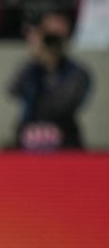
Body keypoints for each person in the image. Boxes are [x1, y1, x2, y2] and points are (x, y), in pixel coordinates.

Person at [7, 11, 94, 150]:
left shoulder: (77, 73)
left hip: (65, 139)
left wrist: (51, 63)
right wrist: (36, 58)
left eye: (54, 39)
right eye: (46, 36)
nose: (50, 44)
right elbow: (12, 90)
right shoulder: (30, 71)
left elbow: (62, 106)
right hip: (29, 136)